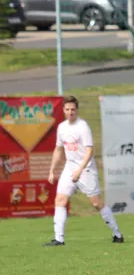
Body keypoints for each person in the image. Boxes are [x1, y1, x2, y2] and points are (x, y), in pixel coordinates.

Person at [44, 96, 124, 247]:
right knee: (60, 199)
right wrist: (52, 170)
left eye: (73, 109)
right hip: (70, 166)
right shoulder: (62, 127)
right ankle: (59, 239)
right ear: (63, 110)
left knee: (95, 203)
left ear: (77, 110)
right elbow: (58, 149)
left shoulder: (82, 126)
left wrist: (79, 170)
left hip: (85, 168)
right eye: (67, 109)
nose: (70, 112)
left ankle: (117, 234)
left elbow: (89, 151)